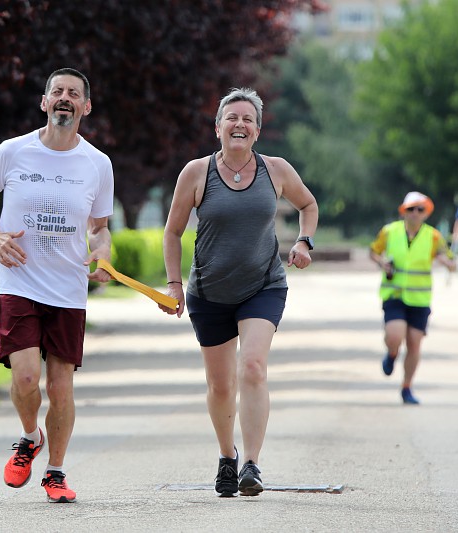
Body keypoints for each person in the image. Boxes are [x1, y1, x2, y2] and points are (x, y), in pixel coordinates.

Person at [160, 87, 318, 497]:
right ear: (217, 128)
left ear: (258, 131)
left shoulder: (277, 170)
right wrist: (174, 284)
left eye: (248, 119)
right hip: (208, 291)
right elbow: (173, 231)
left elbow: (309, 205)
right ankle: (226, 456)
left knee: (251, 367)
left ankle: (252, 463)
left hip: (262, 286)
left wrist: (303, 242)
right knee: (220, 385)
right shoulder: (196, 173)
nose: (239, 124)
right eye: (232, 117)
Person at [0, 68, 114, 503]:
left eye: (74, 93)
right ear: (44, 102)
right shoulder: (12, 152)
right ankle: (29, 436)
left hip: (68, 287)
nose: (64, 98)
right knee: (28, 376)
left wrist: (102, 254)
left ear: (86, 107)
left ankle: (55, 471)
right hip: (18, 280)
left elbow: (100, 228)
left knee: (59, 387)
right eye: (57, 92)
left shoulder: (97, 163)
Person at [369, 192, 456, 405]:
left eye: (420, 209)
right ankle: (391, 353)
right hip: (395, 294)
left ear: (425, 213)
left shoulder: (433, 236)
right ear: (403, 211)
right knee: (394, 336)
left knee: (414, 344)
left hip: (419, 298)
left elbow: (448, 257)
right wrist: (382, 263)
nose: (415, 213)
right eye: (411, 209)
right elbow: (373, 251)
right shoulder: (389, 232)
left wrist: (448, 263)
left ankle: (407, 387)